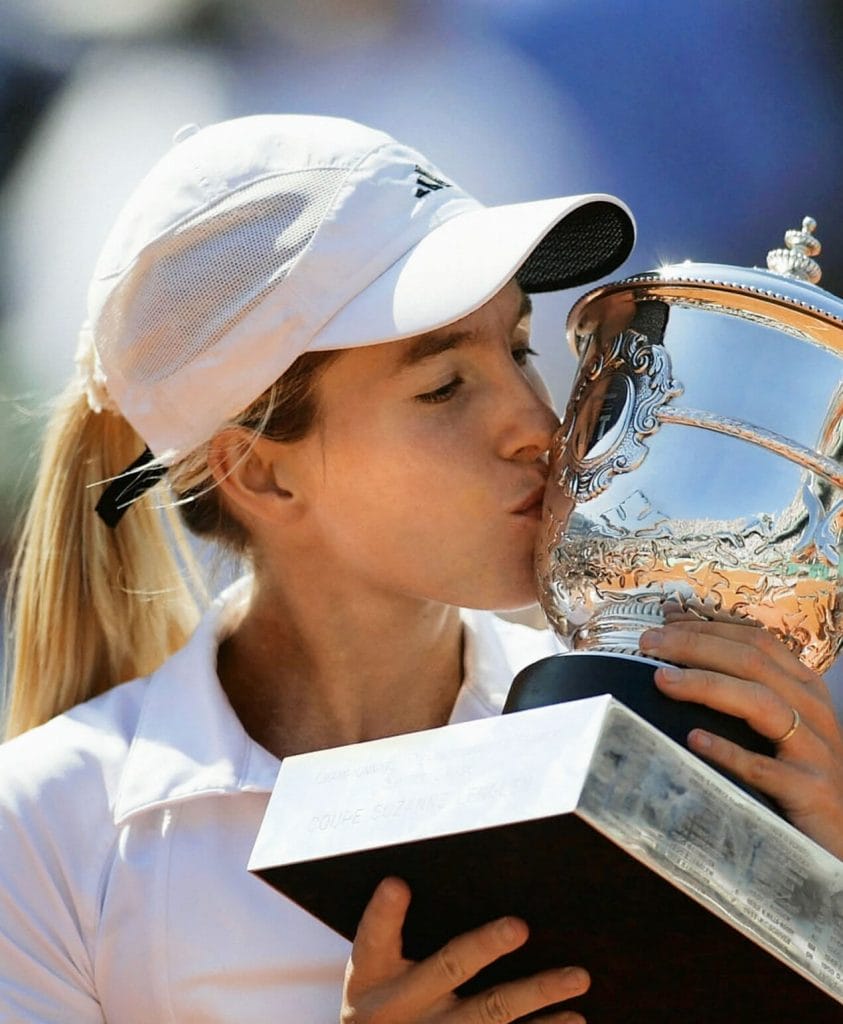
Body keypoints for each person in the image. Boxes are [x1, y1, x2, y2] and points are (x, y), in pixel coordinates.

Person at [1, 114, 841, 1024]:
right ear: (258, 473)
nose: (536, 422)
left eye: (518, 348)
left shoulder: (660, 738)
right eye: (441, 387)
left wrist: (820, 900)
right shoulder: (44, 831)